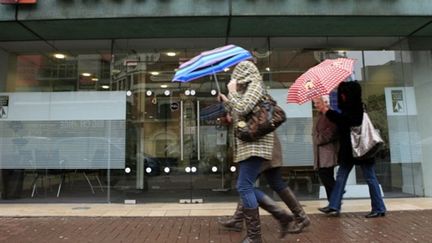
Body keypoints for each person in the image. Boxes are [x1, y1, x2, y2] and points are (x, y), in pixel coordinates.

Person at [218, 60, 310, 242]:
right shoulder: (248, 90)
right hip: (249, 145)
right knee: (247, 186)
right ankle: (281, 218)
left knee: (245, 186)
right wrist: (228, 102)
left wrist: (232, 91)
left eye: (236, 74)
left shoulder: (255, 85)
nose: (234, 77)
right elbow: (242, 112)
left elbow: (244, 107)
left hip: (256, 144)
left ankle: (257, 234)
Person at [318, 81, 387, 218]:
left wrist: (328, 111)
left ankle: (379, 208)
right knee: (342, 176)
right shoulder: (350, 108)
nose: (341, 96)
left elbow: (347, 121)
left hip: (361, 149)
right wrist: (329, 111)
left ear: (348, 95)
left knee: (369, 178)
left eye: (343, 94)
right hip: (352, 150)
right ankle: (334, 205)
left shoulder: (356, 109)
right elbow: (344, 122)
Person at [312, 96, 339, 205]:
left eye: (317, 103)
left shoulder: (330, 115)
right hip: (321, 152)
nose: (315, 105)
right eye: (314, 103)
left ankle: (336, 198)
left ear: (325, 102)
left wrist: (318, 139)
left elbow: (332, 132)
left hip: (327, 152)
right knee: (326, 177)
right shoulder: (320, 115)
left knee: (326, 177)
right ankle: (332, 204)